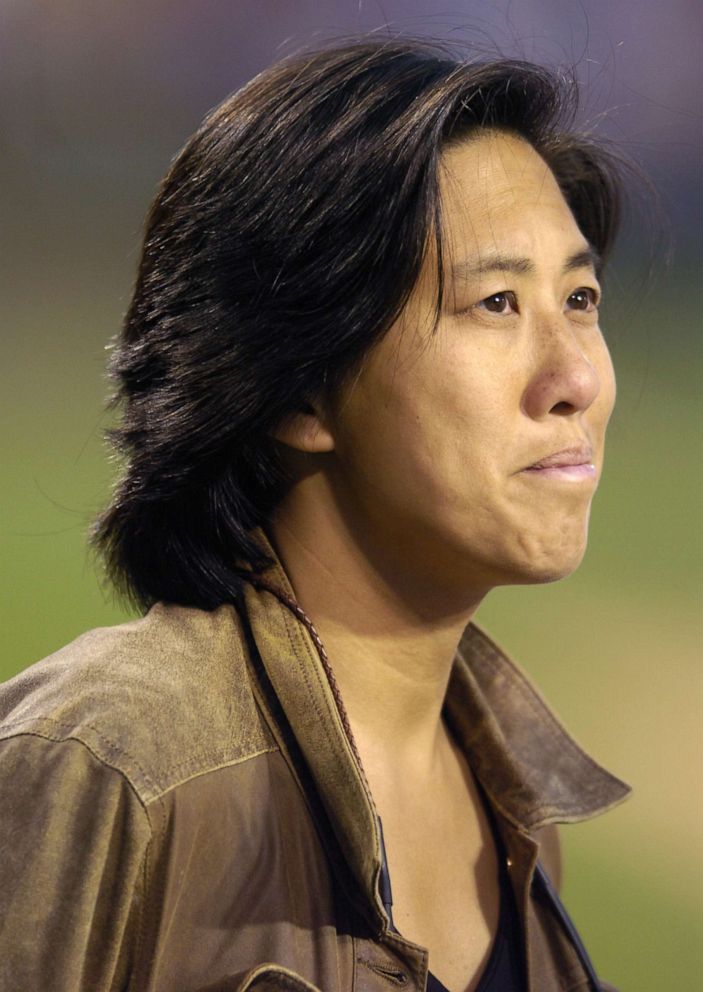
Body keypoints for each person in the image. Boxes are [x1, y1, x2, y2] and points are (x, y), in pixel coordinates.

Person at [0, 38, 632, 992]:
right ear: (301, 386)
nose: (575, 378)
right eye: (495, 302)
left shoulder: (514, 818)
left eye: (578, 299)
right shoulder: (109, 766)